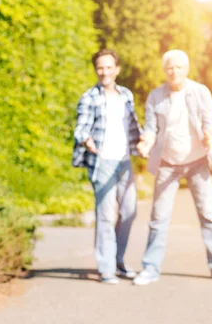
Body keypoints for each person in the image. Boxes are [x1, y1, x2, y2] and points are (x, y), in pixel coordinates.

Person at [133, 49, 212, 286]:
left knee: (208, 215)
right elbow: (150, 128)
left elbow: (210, 124)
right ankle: (150, 268)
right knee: (158, 217)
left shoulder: (200, 92)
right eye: (169, 67)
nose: (173, 71)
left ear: (186, 69)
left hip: (197, 160)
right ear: (164, 70)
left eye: (178, 67)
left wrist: (210, 136)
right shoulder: (156, 96)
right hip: (168, 163)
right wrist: (146, 142)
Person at [72, 48, 142, 285]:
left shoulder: (126, 95)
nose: (104, 72)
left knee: (130, 211)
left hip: (124, 161)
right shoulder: (89, 97)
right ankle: (106, 268)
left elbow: (134, 126)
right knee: (105, 215)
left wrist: (142, 144)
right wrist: (86, 139)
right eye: (100, 68)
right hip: (102, 162)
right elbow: (81, 127)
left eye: (109, 67)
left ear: (117, 69)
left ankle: (118, 261)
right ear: (96, 70)